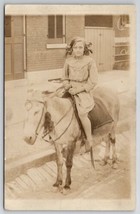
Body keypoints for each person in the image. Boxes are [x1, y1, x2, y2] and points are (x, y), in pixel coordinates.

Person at [62, 37, 98, 152]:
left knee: (82, 113)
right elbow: (64, 77)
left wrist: (78, 90)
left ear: (84, 49)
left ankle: (89, 138)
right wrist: (66, 84)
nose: (78, 50)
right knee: (57, 106)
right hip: (70, 88)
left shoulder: (90, 61)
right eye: (75, 47)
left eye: (80, 47)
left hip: (83, 91)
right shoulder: (68, 61)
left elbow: (93, 81)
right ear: (72, 49)